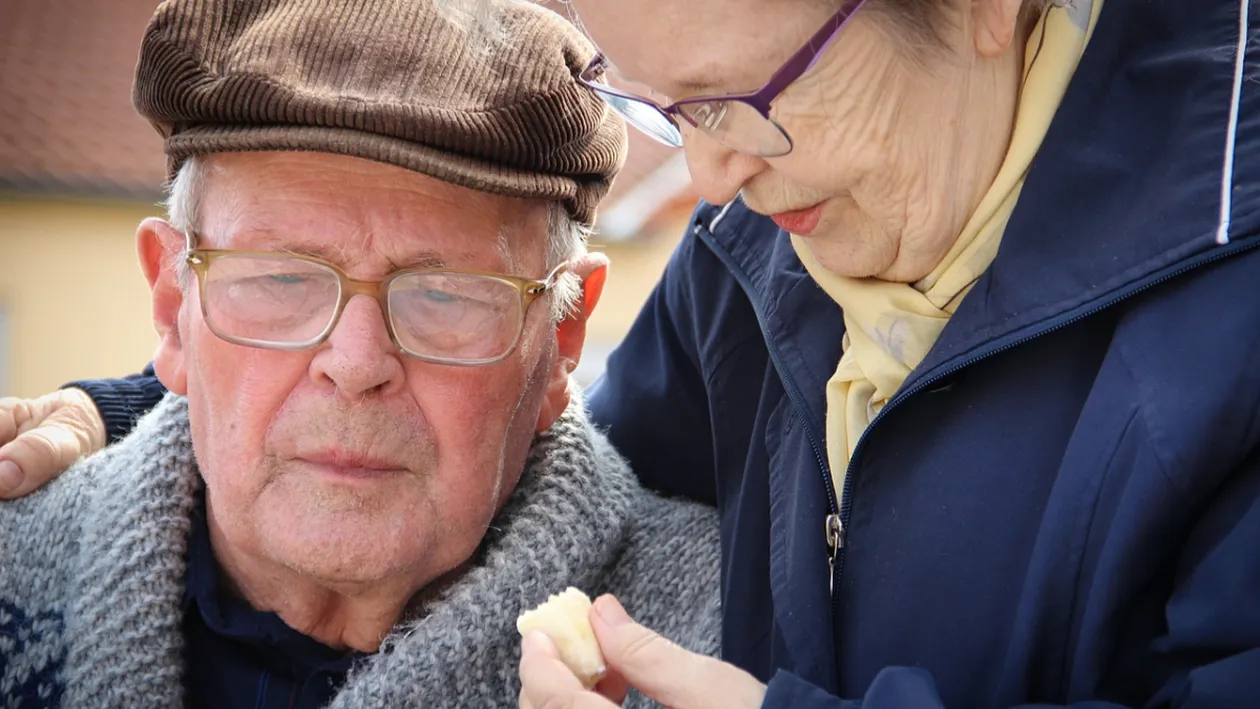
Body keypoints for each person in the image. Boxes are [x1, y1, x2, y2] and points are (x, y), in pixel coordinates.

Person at [5, 0, 1260, 706]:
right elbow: (523, 432)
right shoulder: (756, 253)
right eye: (665, 111)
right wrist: (131, 420)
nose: (709, 179)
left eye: (749, 96)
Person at [0, 0, 722, 707]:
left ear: (562, 339)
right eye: (281, 278)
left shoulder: (726, 637)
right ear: (171, 306)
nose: (355, 363)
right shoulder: (13, 566)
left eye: (443, 295)